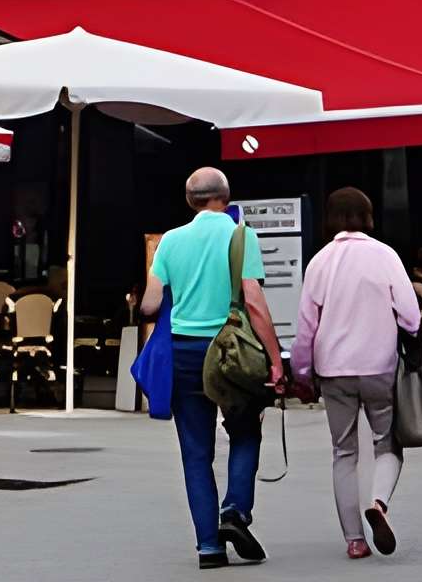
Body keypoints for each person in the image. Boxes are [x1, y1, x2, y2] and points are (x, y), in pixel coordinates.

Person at [141, 169, 286, 569]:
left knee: (195, 453)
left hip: (185, 354)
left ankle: (209, 547)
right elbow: (253, 301)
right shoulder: (242, 236)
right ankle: (235, 511)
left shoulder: (170, 241)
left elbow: (150, 306)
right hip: (232, 353)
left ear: (190, 201)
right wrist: (275, 360)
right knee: (244, 432)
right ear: (226, 197)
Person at [291, 187, 420, 561]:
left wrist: (301, 373)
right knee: (387, 444)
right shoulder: (386, 256)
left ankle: (355, 540)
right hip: (379, 367)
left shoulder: (319, 262)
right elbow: (411, 319)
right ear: (369, 217)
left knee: (343, 452)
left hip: (333, 371)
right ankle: (378, 502)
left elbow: (305, 328)